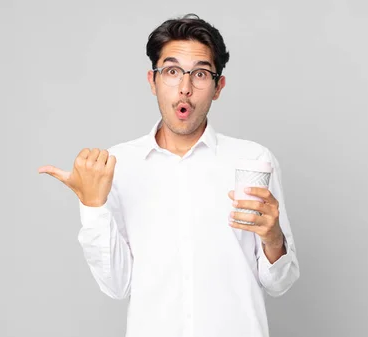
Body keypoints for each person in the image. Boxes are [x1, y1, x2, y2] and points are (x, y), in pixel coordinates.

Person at [38, 13, 300, 337]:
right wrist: (93, 207)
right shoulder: (115, 165)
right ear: (153, 80)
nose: (185, 88)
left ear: (218, 87)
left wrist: (273, 237)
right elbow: (117, 286)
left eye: (201, 74)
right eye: (173, 71)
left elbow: (281, 282)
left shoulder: (254, 161)